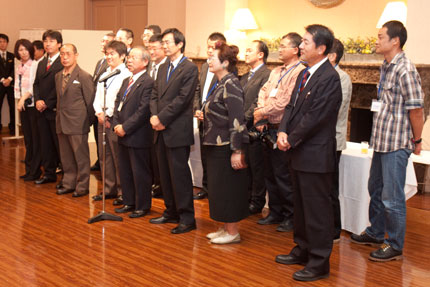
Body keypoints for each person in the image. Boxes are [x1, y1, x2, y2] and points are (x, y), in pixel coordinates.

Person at [350, 21, 424, 262]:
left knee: (393, 197)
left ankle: (394, 244)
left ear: (395, 41)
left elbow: (416, 110)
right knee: (376, 190)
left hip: (397, 143)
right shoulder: (386, 65)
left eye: (381, 36)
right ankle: (375, 231)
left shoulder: (406, 69)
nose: (376, 40)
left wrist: (418, 140)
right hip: (381, 141)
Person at [275, 24, 342, 282]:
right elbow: (291, 107)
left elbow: (317, 117)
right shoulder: (305, 74)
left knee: (317, 210)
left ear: (321, 48)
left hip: (314, 155)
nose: (300, 46)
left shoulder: (329, 77)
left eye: (305, 42)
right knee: (301, 207)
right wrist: (282, 131)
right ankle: (302, 248)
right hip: (298, 152)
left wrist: (291, 139)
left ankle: (319, 262)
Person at [149, 28, 199, 234]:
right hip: (159, 128)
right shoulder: (162, 68)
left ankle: (187, 217)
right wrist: (153, 116)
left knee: (179, 175)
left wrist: (162, 118)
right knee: (165, 174)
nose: (164, 45)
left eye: (168, 42)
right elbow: (154, 94)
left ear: (179, 44)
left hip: (177, 128)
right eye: (164, 42)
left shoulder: (189, 68)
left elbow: (183, 99)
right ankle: (170, 211)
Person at [254, 33, 305, 232]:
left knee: (284, 176)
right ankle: (275, 212)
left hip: (284, 129)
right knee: (270, 174)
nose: (280, 49)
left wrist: (261, 111)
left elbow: (284, 102)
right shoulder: (276, 71)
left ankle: (290, 216)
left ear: (295, 50)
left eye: (284, 46)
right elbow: (263, 91)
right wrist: (261, 113)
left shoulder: (299, 71)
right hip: (268, 127)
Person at [202, 42, 249, 244]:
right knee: (218, 188)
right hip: (214, 143)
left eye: (213, 58)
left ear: (225, 62)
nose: (208, 61)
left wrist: (237, 149)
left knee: (228, 188)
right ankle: (223, 227)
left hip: (225, 145)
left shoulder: (231, 84)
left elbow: (237, 120)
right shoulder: (219, 83)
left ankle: (232, 232)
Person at [112, 46, 154, 218]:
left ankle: (142, 205)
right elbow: (117, 104)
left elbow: (143, 111)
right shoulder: (125, 81)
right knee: (125, 170)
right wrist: (116, 124)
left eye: (133, 58)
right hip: (122, 133)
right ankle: (129, 201)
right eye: (128, 57)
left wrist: (126, 127)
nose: (129, 60)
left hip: (138, 135)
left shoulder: (148, 82)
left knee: (139, 172)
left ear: (145, 62)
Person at [92, 40, 132, 204]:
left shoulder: (126, 74)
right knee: (104, 156)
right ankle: (109, 189)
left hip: (114, 120)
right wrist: (99, 112)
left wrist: (108, 115)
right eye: (107, 54)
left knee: (118, 157)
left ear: (122, 56)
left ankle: (123, 191)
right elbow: (97, 97)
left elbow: (121, 100)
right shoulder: (104, 74)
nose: (109, 57)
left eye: (112, 54)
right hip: (102, 119)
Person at [54, 44, 94, 197]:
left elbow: (90, 102)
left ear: (76, 55)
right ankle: (68, 183)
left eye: (68, 54)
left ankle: (82, 186)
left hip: (78, 123)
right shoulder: (58, 76)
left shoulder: (84, 76)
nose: (64, 57)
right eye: (62, 54)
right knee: (66, 157)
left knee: (80, 156)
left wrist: (87, 121)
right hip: (61, 122)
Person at [193, 32, 226, 200]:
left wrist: (208, 112)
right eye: (208, 47)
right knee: (204, 155)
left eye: (214, 47)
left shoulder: (226, 69)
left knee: (215, 158)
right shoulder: (205, 66)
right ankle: (205, 187)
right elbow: (198, 90)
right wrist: (197, 108)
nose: (210, 51)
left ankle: (216, 189)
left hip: (216, 121)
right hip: (201, 117)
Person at [240, 40, 271, 214]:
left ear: (260, 54)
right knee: (246, 164)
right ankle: (246, 196)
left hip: (255, 127)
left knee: (257, 166)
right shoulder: (244, 77)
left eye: (250, 50)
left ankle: (257, 201)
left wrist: (243, 118)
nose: (246, 53)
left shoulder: (267, 74)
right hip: (242, 128)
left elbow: (258, 101)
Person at [327, 39, 352, 243]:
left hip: (332, 140)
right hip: (320, 141)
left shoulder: (342, 78)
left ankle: (334, 229)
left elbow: (335, 110)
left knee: (330, 187)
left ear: (332, 56)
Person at [33, 30, 64, 185]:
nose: (47, 44)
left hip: (53, 109)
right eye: (45, 41)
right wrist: (38, 100)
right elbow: (36, 84)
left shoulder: (62, 63)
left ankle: (66, 176)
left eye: (51, 41)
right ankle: (49, 173)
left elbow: (58, 87)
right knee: (45, 143)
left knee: (59, 144)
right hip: (41, 109)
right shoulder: (41, 63)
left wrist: (46, 102)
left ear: (59, 44)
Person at [14, 39, 41, 181]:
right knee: (28, 140)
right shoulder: (20, 66)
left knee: (35, 139)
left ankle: (35, 171)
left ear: (30, 50)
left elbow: (33, 87)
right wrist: (20, 100)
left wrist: (23, 99)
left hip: (32, 106)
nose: (23, 52)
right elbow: (17, 87)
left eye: (25, 49)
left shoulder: (35, 65)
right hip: (23, 105)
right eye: (20, 50)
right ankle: (29, 169)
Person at [90, 32, 115, 172]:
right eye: (102, 40)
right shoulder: (100, 61)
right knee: (98, 139)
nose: (103, 43)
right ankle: (100, 162)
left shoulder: (114, 65)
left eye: (107, 41)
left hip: (109, 112)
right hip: (98, 108)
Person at [147, 33, 167, 198]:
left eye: (155, 48)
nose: (151, 52)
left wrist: (159, 116)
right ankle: (154, 182)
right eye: (149, 48)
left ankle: (160, 185)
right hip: (149, 118)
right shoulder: (149, 66)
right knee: (151, 155)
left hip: (163, 120)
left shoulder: (167, 67)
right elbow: (152, 95)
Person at [0, 33, 15, 135]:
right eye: (0, 42)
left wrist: (9, 79)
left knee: (13, 107)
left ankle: (13, 127)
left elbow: (16, 69)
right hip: (0, 85)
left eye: (4, 42)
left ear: (7, 43)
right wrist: (2, 80)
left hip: (11, 85)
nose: (2, 44)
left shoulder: (12, 56)